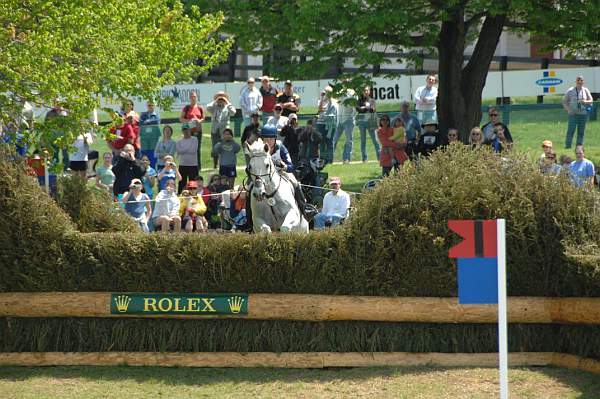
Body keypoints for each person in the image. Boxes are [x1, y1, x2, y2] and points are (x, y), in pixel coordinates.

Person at [260, 125, 315, 220]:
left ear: (275, 139)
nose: (268, 141)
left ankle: (304, 208)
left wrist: (284, 166)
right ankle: (248, 218)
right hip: (262, 176)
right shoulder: (259, 150)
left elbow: (291, 166)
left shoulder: (281, 148)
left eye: (271, 138)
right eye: (265, 139)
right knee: (249, 188)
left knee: (295, 182)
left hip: (280, 173)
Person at [207, 91, 236, 170]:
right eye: (219, 97)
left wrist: (227, 102)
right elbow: (208, 108)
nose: (220, 99)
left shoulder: (228, 106)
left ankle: (224, 162)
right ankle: (215, 164)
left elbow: (233, 112)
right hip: (215, 130)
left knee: (225, 146)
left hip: (225, 131)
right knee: (215, 147)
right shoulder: (214, 106)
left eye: (222, 97)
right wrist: (215, 101)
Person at [563, 76, 593, 148]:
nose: (579, 82)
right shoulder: (570, 91)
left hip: (583, 114)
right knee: (570, 131)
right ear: (576, 82)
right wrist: (568, 110)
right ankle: (568, 146)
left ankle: (579, 146)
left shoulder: (585, 90)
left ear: (583, 82)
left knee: (581, 132)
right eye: (578, 80)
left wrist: (585, 101)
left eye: (581, 80)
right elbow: (564, 101)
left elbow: (591, 100)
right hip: (573, 114)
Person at [179, 91, 205, 166]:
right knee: (188, 148)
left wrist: (198, 120)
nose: (193, 98)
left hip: (198, 131)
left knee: (197, 148)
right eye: (191, 97)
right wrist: (189, 121)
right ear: (189, 98)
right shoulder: (186, 108)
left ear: (197, 98)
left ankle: (198, 165)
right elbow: (181, 119)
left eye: (194, 97)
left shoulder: (200, 108)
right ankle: (188, 164)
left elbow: (203, 119)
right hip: (188, 132)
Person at [356, 87, 380, 161]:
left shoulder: (372, 100)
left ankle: (379, 157)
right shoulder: (359, 100)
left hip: (370, 122)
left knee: (375, 140)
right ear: (362, 92)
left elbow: (373, 109)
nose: (366, 92)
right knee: (363, 141)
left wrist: (365, 107)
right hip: (361, 121)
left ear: (369, 91)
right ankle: (364, 158)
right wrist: (366, 108)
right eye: (364, 91)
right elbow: (358, 109)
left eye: (367, 90)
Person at [315, 86, 338, 165]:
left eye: (329, 92)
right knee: (322, 142)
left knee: (330, 142)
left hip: (330, 124)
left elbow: (333, 109)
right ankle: (322, 160)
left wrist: (330, 98)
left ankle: (329, 160)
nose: (327, 94)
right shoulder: (320, 100)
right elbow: (320, 109)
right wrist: (322, 97)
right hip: (320, 124)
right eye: (326, 92)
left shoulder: (334, 101)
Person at [333, 88, 356, 164]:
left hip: (349, 119)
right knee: (334, 139)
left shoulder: (352, 92)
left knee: (349, 140)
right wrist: (345, 100)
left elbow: (353, 103)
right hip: (340, 119)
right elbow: (336, 100)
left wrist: (344, 100)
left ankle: (346, 159)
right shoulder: (339, 91)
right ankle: (329, 158)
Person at [176, 123, 199, 193]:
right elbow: (179, 151)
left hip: (193, 165)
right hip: (183, 164)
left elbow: (193, 150)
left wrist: (183, 150)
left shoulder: (195, 139)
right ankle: (181, 196)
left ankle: (194, 196)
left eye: (187, 129)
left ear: (190, 130)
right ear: (182, 131)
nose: (186, 131)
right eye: (184, 130)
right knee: (182, 182)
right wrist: (188, 148)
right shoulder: (179, 141)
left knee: (193, 182)